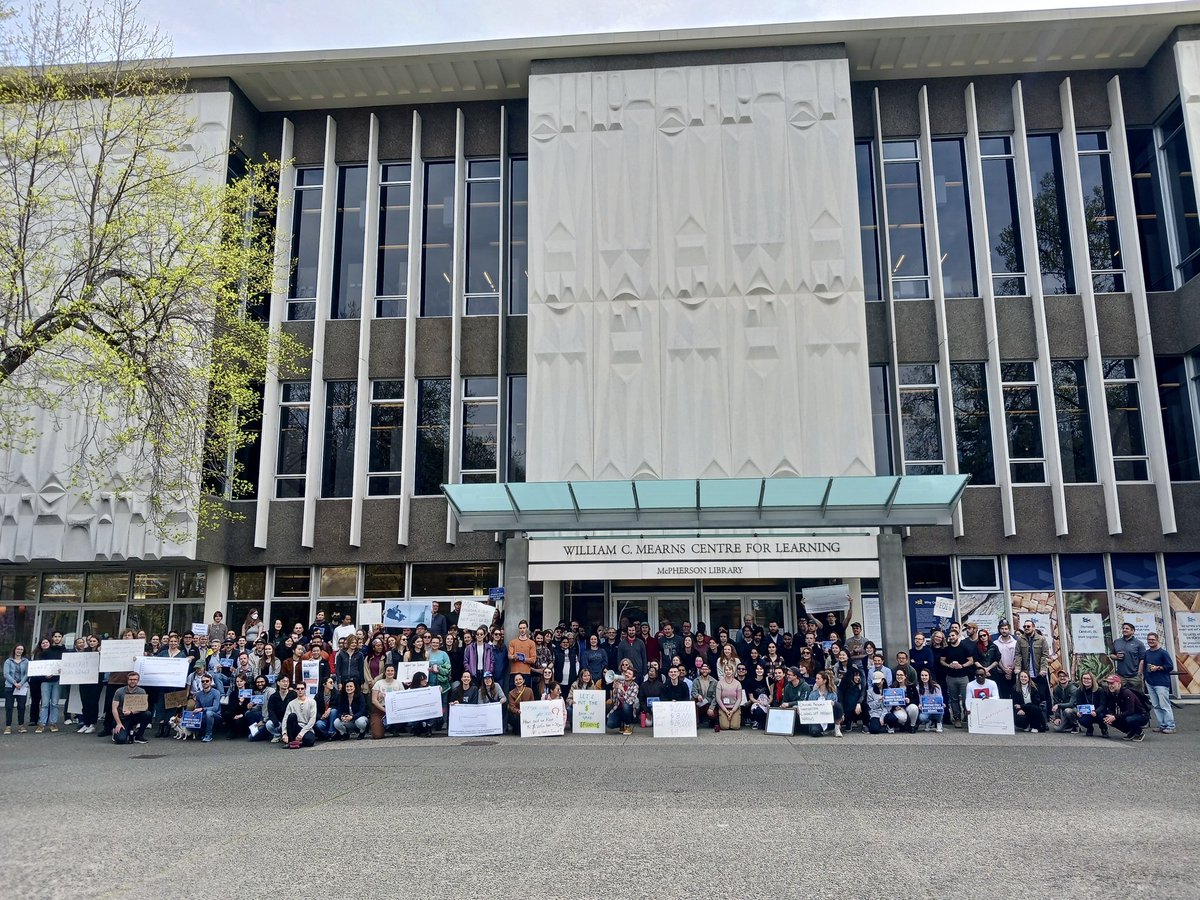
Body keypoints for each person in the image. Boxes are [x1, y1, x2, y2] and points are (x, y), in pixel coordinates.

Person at [940, 626, 976, 728]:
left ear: (957, 636)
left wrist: (962, 666)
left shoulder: (964, 647)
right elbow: (942, 661)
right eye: (950, 636)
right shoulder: (946, 649)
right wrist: (948, 665)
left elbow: (971, 661)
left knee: (966, 698)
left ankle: (969, 717)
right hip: (950, 677)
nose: (951, 637)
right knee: (954, 699)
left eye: (953, 635)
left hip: (963, 677)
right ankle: (957, 718)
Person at [1014, 619, 1051, 716]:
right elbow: (1018, 654)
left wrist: (1043, 669)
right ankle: (1030, 716)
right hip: (1026, 674)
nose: (1026, 628)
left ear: (1033, 627)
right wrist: (1017, 667)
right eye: (1024, 626)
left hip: (1038, 672)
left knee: (1042, 695)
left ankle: (1044, 718)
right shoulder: (1020, 639)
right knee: (1029, 696)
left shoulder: (1041, 639)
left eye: (1028, 626)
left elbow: (1045, 655)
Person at [1143, 632, 1176, 734]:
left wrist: (1158, 667)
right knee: (1156, 705)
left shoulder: (1163, 653)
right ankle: (1162, 725)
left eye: (1153, 639)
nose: (1151, 641)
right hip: (1150, 682)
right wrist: (1145, 678)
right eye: (1149, 640)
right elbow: (1144, 666)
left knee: (1164, 705)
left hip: (1161, 683)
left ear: (1157, 640)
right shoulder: (1147, 653)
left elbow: (1170, 666)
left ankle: (1170, 726)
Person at [1102, 674, 1148, 742]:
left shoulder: (1127, 693)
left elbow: (1130, 711)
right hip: (1128, 714)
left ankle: (1139, 732)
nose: (1110, 686)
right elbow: (1111, 707)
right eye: (1108, 684)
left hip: (1141, 715)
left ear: (1119, 684)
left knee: (1129, 719)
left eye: (1112, 683)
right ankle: (1131, 732)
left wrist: (1115, 717)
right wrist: (1110, 716)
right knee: (1109, 719)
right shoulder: (1111, 693)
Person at [110, 671, 151, 745]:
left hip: (134, 716)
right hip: (122, 718)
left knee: (147, 714)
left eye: (135, 680)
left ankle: (139, 735)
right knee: (120, 740)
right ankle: (116, 730)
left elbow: (145, 707)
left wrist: (131, 712)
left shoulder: (141, 691)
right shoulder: (119, 691)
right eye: (131, 679)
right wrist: (118, 723)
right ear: (127, 680)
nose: (133, 681)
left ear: (138, 681)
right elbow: (114, 708)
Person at [36, 632, 65, 733]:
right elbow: (40, 666)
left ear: (62, 638)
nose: (57, 638)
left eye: (59, 636)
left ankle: (53, 723)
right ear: (52, 638)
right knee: (44, 703)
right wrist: (45, 674)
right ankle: (42, 724)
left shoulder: (65, 651)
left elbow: (66, 665)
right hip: (45, 681)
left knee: (54, 703)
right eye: (55, 636)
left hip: (57, 680)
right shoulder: (46, 651)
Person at [1110, 622, 1147, 701]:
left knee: (1138, 697)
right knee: (1121, 697)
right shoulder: (1117, 642)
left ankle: (1142, 712)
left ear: (1133, 631)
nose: (1124, 630)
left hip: (1134, 676)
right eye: (1123, 628)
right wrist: (1116, 657)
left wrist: (1139, 673)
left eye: (1127, 628)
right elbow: (1111, 655)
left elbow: (1142, 659)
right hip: (1121, 676)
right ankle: (1125, 712)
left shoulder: (1139, 643)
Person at [606, 661, 639, 735]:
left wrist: (622, 690)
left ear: (633, 677)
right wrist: (614, 690)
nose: (626, 674)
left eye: (629, 674)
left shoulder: (635, 686)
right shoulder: (620, 682)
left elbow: (630, 702)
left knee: (626, 705)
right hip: (618, 708)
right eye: (626, 673)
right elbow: (614, 701)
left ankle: (627, 725)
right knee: (610, 724)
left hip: (629, 710)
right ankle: (622, 723)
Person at [807, 670, 843, 738]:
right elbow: (809, 706)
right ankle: (825, 731)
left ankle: (837, 728)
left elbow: (836, 709)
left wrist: (832, 704)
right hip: (816, 718)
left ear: (824, 681)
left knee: (837, 705)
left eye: (818, 679)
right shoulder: (813, 694)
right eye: (816, 678)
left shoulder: (832, 694)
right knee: (814, 731)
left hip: (828, 718)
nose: (816, 680)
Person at [4, 644, 30, 734]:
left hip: (22, 686)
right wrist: (15, 683)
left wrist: (21, 683)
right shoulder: (8, 661)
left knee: (21, 707)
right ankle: (8, 726)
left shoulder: (26, 661)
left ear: (23, 651)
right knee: (9, 707)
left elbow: (27, 673)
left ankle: (21, 726)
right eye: (18, 649)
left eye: (21, 649)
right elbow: (6, 674)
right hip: (10, 686)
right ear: (14, 650)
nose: (19, 651)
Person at [1073, 672, 1109, 737]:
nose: (1086, 680)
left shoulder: (1099, 690)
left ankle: (1104, 728)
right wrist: (1079, 712)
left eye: (1088, 679)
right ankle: (1089, 728)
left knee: (1101, 716)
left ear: (1092, 680)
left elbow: (1103, 704)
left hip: (1099, 711)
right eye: (1084, 678)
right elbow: (1079, 704)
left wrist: (1096, 711)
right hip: (1087, 712)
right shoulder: (1079, 691)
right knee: (1081, 719)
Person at [284, 681, 318, 748]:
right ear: (295, 690)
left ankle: (298, 743)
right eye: (298, 689)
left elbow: (312, 720)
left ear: (305, 689)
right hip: (295, 727)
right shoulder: (291, 703)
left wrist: (302, 733)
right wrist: (284, 734)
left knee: (310, 740)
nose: (300, 690)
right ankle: (291, 742)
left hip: (306, 728)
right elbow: (285, 719)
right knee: (292, 716)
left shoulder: (312, 702)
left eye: (302, 689)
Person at [885, 669, 920, 734]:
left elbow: (916, 700)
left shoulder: (911, 686)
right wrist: (894, 707)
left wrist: (909, 701)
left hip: (908, 706)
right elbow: (889, 701)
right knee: (902, 718)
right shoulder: (892, 687)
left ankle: (912, 725)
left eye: (901, 675)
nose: (899, 677)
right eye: (897, 675)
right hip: (899, 708)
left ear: (905, 676)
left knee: (914, 708)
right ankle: (903, 724)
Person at [408, 671, 442, 737]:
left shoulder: (429, 688)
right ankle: (417, 727)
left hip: (427, 712)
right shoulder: (410, 690)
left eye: (425, 679)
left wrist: (439, 690)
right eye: (423, 679)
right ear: (418, 680)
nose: (425, 681)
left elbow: (437, 690)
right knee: (413, 722)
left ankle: (428, 727)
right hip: (416, 713)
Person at [507, 620, 537, 691]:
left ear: (527, 629)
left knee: (526, 694)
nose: (522, 630)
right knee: (513, 693)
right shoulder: (512, 642)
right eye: (520, 628)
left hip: (526, 672)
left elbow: (533, 659)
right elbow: (509, 656)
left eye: (524, 628)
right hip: (514, 672)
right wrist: (514, 657)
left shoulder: (531, 643)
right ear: (518, 629)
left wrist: (524, 659)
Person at [192, 673, 223, 742]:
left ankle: (208, 735)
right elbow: (198, 708)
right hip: (203, 715)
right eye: (203, 681)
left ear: (211, 682)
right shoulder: (198, 694)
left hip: (216, 715)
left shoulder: (216, 693)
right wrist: (195, 708)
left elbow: (215, 708)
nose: (205, 683)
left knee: (209, 713)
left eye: (207, 681)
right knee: (191, 719)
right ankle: (200, 732)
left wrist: (202, 709)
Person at [715, 663, 745, 732]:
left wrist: (732, 711)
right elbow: (718, 698)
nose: (728, 672)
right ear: (724, 671)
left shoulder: (738, 683)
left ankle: (734, 716)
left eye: (730, 670)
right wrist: (725, 711)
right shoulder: (720, 683)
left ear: (733, 671)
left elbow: (739, 699)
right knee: (724, 727)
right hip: (723, 708)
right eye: (726, 670)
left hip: (734, 708)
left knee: (735, 727)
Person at [838, 665, 868, 733]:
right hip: (847, 710)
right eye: (856, 676)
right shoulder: (843, 688)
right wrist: (842, 713)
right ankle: (848, 722)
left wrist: (859, 703)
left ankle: (865, 724)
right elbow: (841, 700)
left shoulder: (860, 685)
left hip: (857, 708)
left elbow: (862, 695)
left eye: (858, 676)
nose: (858, 678)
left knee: (864, 705)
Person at [994, 620, 1018, 699]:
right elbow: (996, 658)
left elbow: (1017, 657)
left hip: (1013, 672)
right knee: (1004, 696)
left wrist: (1010, 670)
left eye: (1006, 629)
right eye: (1002, 629)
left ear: (1009, 630)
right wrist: (1004, 669)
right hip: (1000, 673)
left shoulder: (1015, 643)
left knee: (1015, 695)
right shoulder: (995, 643)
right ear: (999, 630)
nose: (1004, 631)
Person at [690, 661, 717, 729]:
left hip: (709, 703)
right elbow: (693, 692)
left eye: (706, 669)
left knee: (713, 713)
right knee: (693, 700)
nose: (704, 670)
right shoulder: (696, 681)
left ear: (709, 670)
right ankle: (696, 724)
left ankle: (713, 721)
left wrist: (711, 708)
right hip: (700, 702)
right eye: (703, 669)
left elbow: (716, 697)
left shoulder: (714, 682)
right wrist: (697, 695)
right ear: (700, 670)